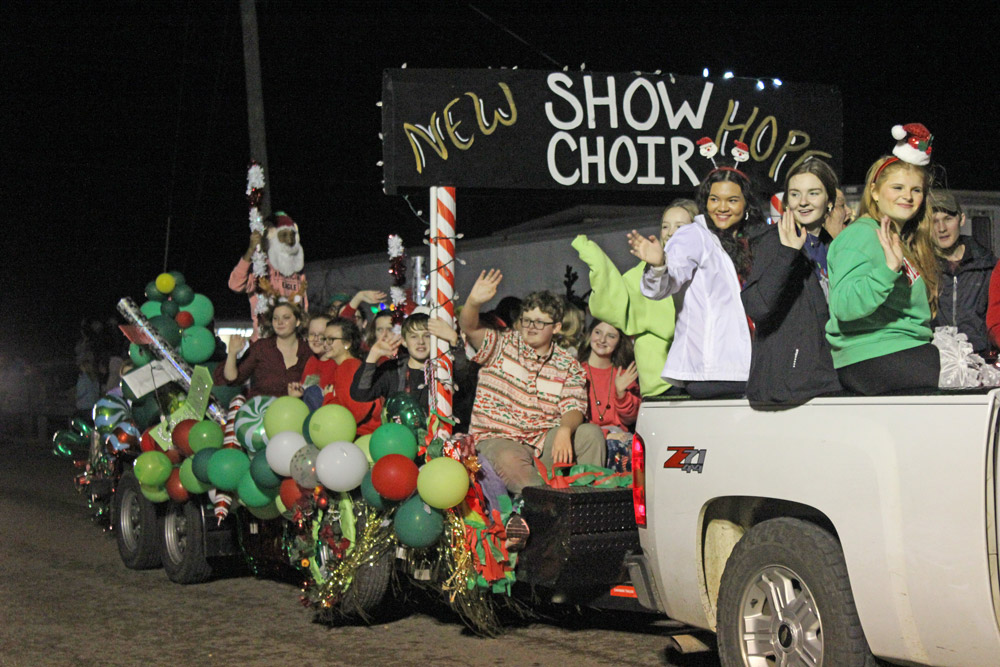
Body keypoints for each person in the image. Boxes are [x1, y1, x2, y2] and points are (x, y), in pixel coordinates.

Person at [460, 270, 604, 496]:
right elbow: (470, 327)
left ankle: (587, 505)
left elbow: (574, 407)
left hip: (542, 440)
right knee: (511, 460)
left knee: (590, 434)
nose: (531, 327)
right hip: (500, 438)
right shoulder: (502, 345)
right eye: (527, 320)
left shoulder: (567, 364)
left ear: (556, 327)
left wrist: (565, 429)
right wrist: (472, 302)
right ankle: (546, 511)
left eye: (540, 322)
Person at [826, 124, 940, 395]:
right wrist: (888, 271)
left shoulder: (897, 239)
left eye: (916, 190)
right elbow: (844, 304)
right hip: (875, 359)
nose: (907, 196)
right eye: (898, 187)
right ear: (875, 192)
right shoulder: (861, 235)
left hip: (898, 356)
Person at [627, 168, 754, 398]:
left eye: (732, 200)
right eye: (714, 199)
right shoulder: (693, 235)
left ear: (746, 203)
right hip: (713, 372)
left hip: (746, 369)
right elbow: (665, 284)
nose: (722, 207)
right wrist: (658, 266)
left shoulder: (746, 241)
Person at [741, 158, 842, 405]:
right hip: (789, 387)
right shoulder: (775, 241)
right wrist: (787, 254)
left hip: (822, 380)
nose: (803, 202)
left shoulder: (831, 245)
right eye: (795, 194)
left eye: (813, 193)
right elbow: (757, 306)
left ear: (829, 201)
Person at [571, 199, 694, 397]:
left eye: (680, 226)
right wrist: (597, 261)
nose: (670, 232)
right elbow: (614, 304)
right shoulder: (644, 272)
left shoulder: (707, 270)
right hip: (662, 384)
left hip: (702, 377)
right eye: (665, 226)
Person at [350, 312, 465, 413]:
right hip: (399, 436)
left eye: (427, 336)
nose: (421, 342)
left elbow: (464, 377)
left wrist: (454, 340)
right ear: (404, 341)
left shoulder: (442, 367)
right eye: (414, 336)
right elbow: (360, 394)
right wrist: (373, 356)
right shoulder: (393, 370)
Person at [929, 190, 996, 355]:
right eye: (934, 221)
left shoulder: (988, 266)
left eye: (948, 219)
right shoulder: (923, 267)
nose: (941, 228)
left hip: (979, 358)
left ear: (962, 219)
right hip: (935, 358)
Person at [229, 212, 309, 340]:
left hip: (294, 342)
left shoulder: (298, 270)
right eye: (284, 235)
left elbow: (304, 307)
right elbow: (235, 284)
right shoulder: (261, 267)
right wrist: (250, 251)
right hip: (264, 341)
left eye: (292, 236)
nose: (289, 241)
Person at [214, 302, 311, 399]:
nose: (280, 322)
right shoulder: (261, 348)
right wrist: (232, 353)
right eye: (275, 318)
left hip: (294, 411)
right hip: (261, 410)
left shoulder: (308, 351)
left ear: (298, 321)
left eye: (286, 317)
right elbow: (233, 379)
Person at [314, 318, 380, 435]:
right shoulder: (348, 366)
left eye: (331, 339)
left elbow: (358, 409)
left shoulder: (349, 367)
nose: (325, 344)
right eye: (324, 339)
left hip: (362, 435)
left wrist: (329, 398)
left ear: (347, 343)